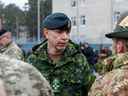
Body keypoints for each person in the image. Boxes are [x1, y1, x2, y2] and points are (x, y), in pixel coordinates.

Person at [27, 12, 95, 96]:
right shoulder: (33, 61)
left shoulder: (78, 60)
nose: (65, 37)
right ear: (46, 33)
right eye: (59, 32)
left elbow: (90, 91)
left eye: (67, 32)